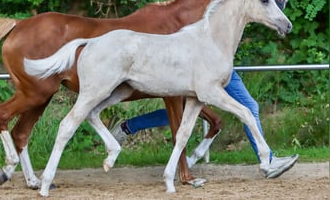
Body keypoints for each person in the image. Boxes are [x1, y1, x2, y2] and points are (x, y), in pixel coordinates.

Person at [112, 70, 299, 178]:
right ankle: (268, 161)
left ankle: (128, 127)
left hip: (223, 68)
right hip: (204, 68)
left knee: (245, 108)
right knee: (182, 114)